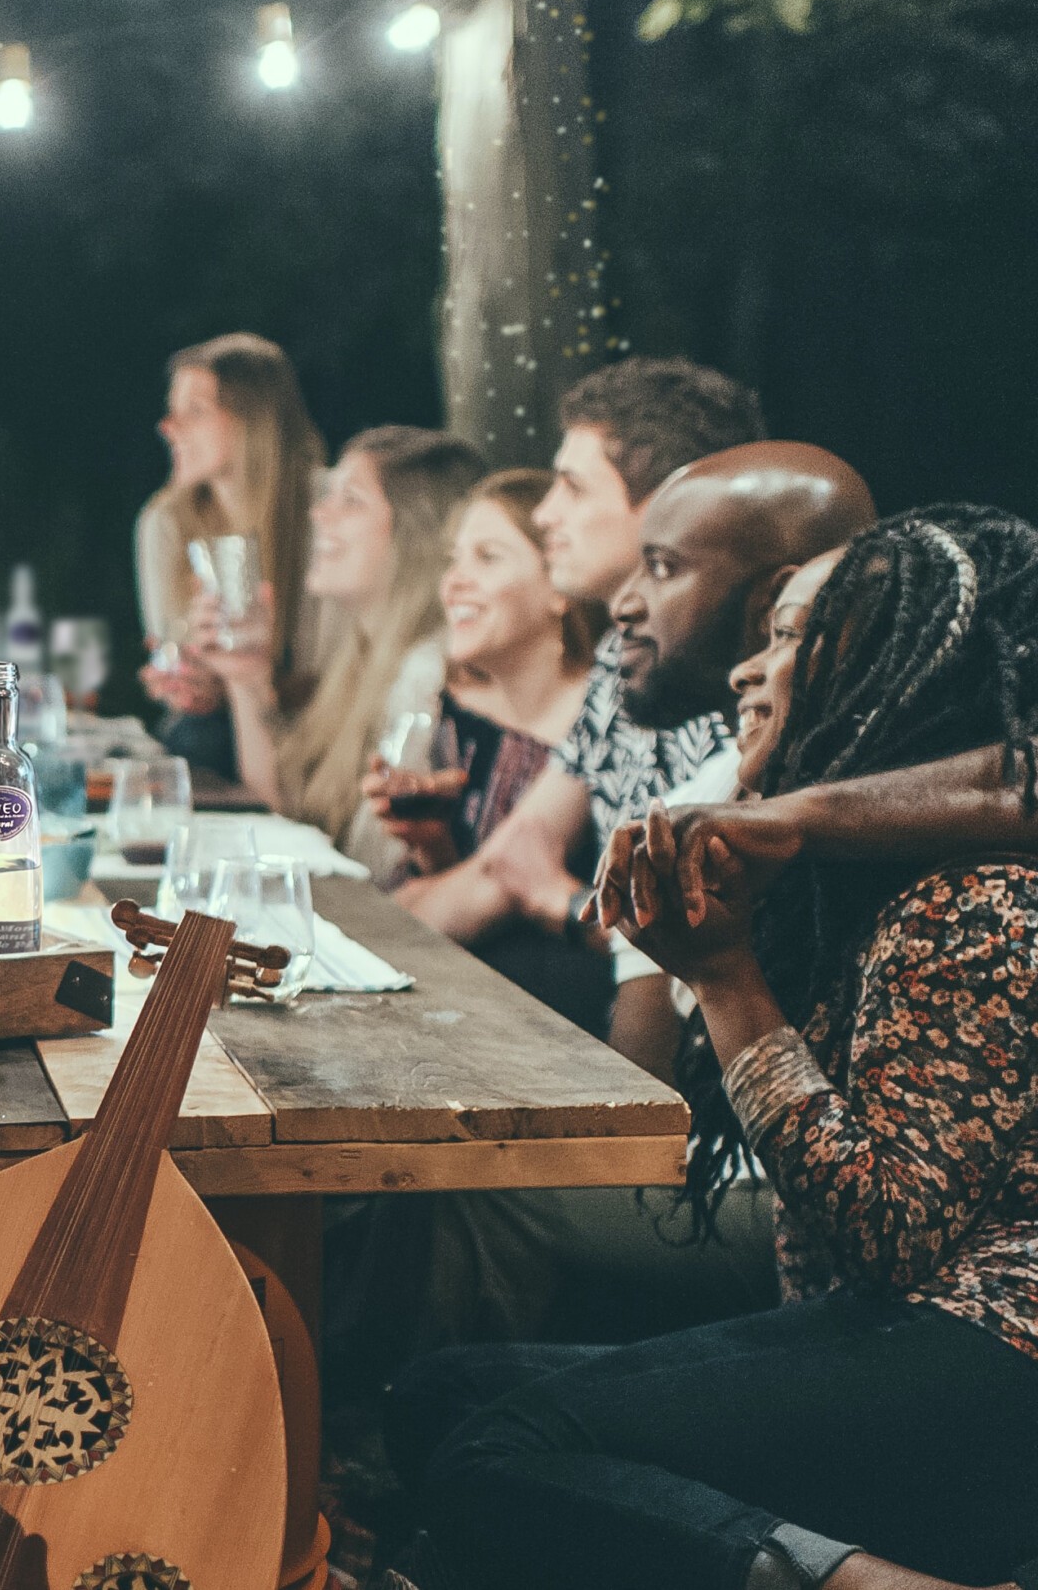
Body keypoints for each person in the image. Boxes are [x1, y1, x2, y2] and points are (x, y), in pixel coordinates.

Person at [393, 509, 1038, 1590]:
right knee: (439, 1397)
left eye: (787, 637)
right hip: (909, 1329)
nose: (750, 665)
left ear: (889, 676)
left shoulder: (975, 902)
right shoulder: (861, 885)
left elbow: (885, 1234)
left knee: (495, 1455)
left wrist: (725, 978)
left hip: (997, 1358)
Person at [391, 357, 768, 996]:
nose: (545, 515)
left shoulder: (737, 682)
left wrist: (562, 903)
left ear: (673, 499)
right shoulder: (621, 654)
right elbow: (505, 867)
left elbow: (703, 951)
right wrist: (321, 944)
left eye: (573, 486)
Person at [193, 425, 485, 879]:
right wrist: (246, 676)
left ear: (416, 530)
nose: (318, 514)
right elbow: (285, 817)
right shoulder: (362, 654)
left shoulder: (427, 672)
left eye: (350, 500)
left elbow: (370, 877)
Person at [369, 468, 608, 1020]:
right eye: (455, 558)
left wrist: (350, 931)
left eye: (488, 557)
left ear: (560, 590)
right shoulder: (457, 707)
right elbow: (469, 885)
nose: (453, 581)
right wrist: (434, 844)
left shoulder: (603, 716)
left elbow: (498, 891)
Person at [133, 333, 328, 777]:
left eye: (195, 411)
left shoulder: (325, 510)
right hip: (223, 730)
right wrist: (187, 679)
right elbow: (169, 648)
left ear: (255, 420)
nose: (169, 426)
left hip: (316, 724)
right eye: (172, 409)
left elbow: (340, 669)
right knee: (196, 735)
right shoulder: (166, 521)